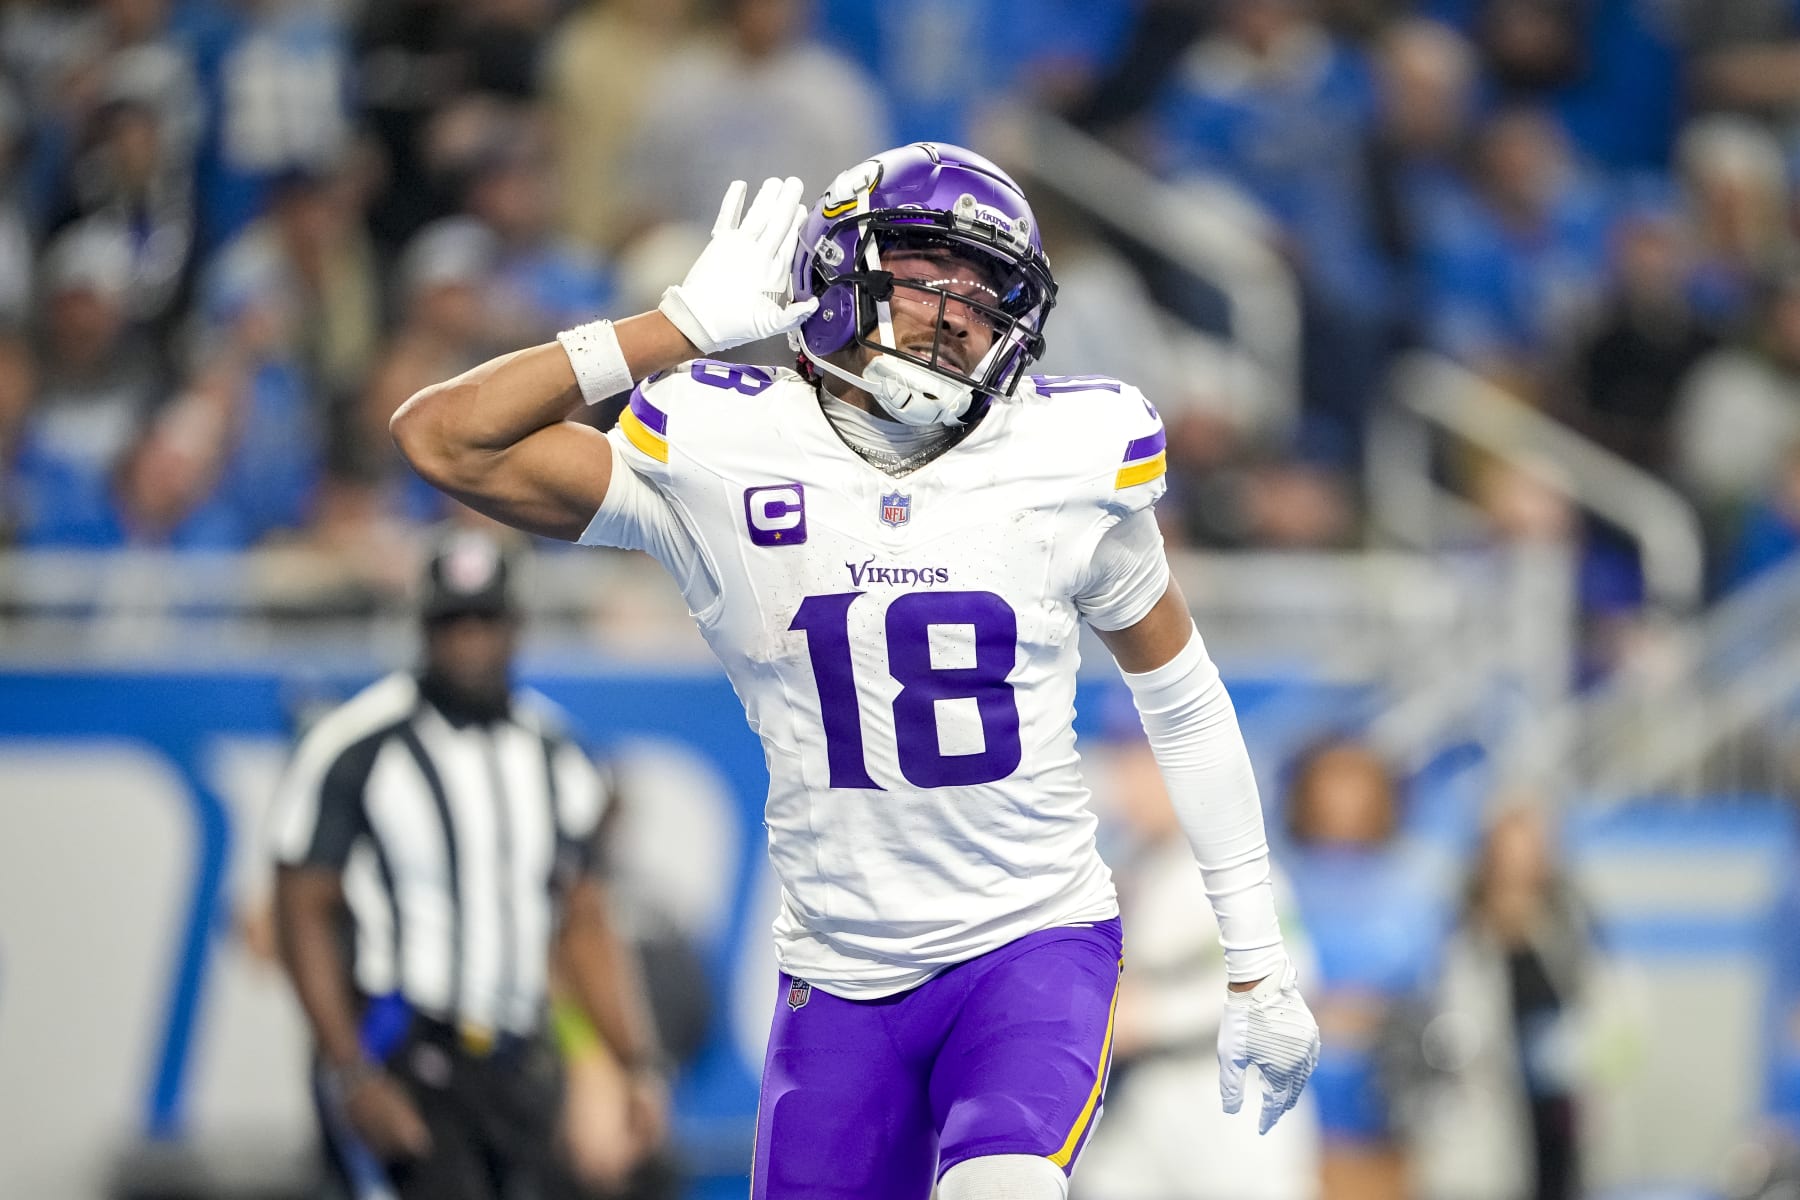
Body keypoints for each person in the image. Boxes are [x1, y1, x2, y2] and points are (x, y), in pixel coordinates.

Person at [391, 142, 1320, 1199]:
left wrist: (1259, 961)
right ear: (843, 272)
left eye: (992, 291)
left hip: (1031, 942)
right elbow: (444, 441)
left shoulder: (1068, 456)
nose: (964, 309)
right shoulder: (724, 443)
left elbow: (1185, 701)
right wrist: (667, 333)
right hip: (839, 976)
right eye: (937, 269)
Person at [269, 526, 667, 1200]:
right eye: (453, 623)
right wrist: (350, 1071)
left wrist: (635, 1063)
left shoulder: (559, 755)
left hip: (516, 1058)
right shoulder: (357, 747)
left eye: (486, 621)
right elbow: (300, 911)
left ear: (515, 627)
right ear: (424, 629)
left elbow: (583, 921)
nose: (471, 642)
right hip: (402, 1047)